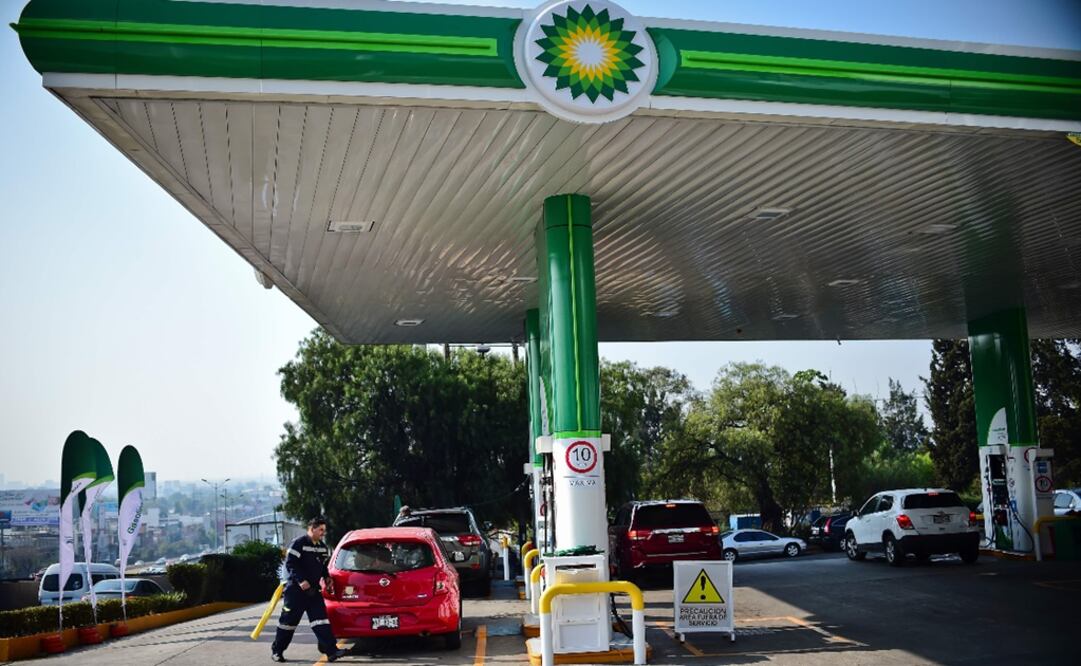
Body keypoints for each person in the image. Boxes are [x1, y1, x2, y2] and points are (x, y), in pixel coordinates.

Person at [271, 517, 347, 663]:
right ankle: (277, 651)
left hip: (313, 591)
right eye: (321, 530)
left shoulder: (322, 547)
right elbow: (291, 564)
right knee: (288, 623)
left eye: (324, 530)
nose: (323, 533)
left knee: (321, 621)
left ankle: (332, 651)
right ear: (312, 529)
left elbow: (322, 566)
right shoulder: (298, 544)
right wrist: (301, 581)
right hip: (295, 591)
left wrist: (327, 577)